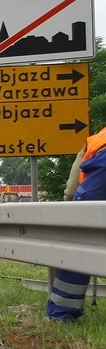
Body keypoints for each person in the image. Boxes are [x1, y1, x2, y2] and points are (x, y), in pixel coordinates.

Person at [45, 126, 106, 322]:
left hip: (100, 173)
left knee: (79, 244)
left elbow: (72, 187)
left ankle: (61, 314)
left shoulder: (97, 138)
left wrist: (71, 203)